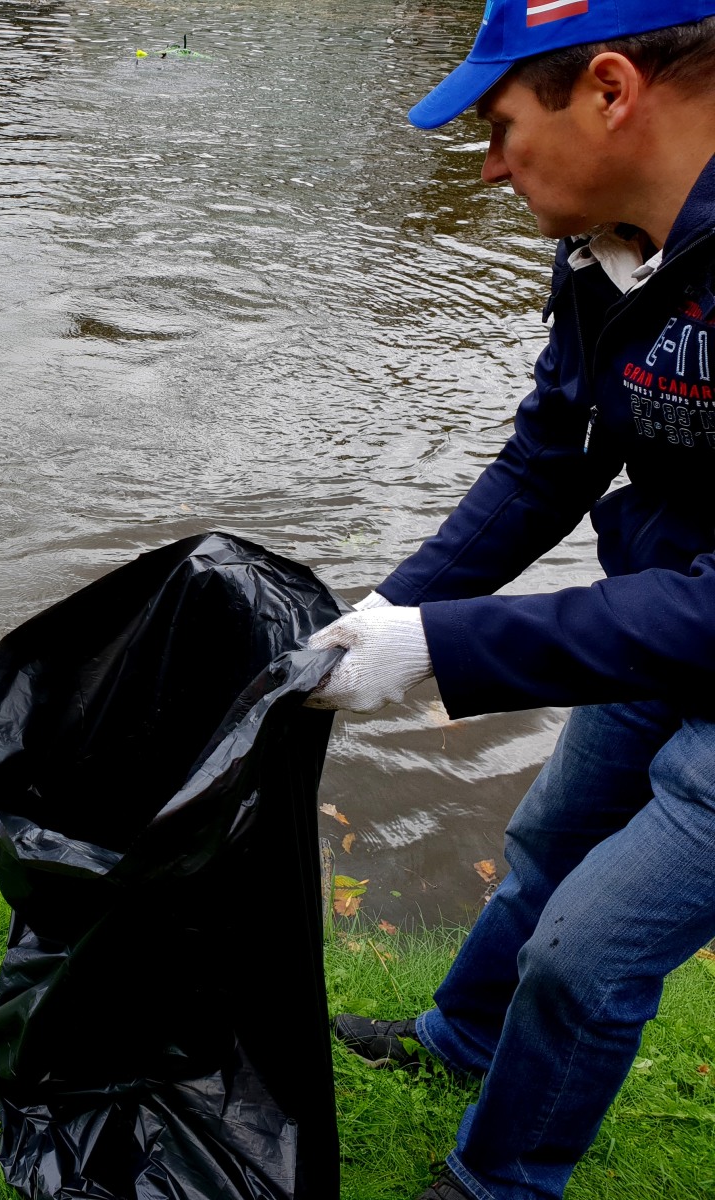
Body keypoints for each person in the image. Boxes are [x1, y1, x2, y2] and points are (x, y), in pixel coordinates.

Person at [304, 5, 715, 1198]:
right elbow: (550, 460)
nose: (486, 166)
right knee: (544, 845)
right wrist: (378, 620)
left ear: (608, 91)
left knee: (588, 954)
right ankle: (458, 1044)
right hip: (661, 612)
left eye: (498, 126)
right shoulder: (604, 248)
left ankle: (499, 1185)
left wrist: (439, 646)